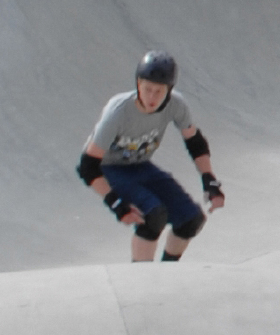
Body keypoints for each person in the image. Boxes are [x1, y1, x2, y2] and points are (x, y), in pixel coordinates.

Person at [77, 48, 226, 263]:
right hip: (108, 169)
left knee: (191, 219)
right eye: (147, 89)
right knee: (153, 217)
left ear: (169, 90)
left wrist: (209, 179)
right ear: (138, 84)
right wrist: (115, 204)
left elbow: (195, 142)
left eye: (159, 91)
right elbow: (87, 165)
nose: (152, 97)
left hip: (140, 166)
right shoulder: (118, 111)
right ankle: (141, 279)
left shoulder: (176, 105)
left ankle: (166, 273)